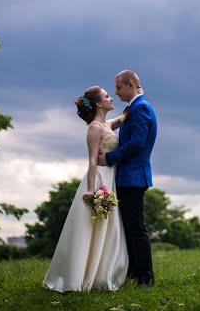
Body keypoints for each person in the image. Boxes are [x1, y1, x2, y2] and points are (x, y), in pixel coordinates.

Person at [42, 85, 129, 292]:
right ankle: (79, 276)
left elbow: (120, 119)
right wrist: (91, 190)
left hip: (111, 178)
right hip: (99, 180)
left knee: (107, 230)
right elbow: (91, 161)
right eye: (107, 96)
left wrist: (131, 108)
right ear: (99, 103)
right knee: (91, 229)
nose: (111, 98)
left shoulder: (106, 124)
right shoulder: (94, 128)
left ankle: (101, 272)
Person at [98, 69, 158, 287]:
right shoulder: (133, 108)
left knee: (136, 228)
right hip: (127, 176)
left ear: (130, 84)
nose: (116, 92)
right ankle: (135, 272)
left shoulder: (140, 108)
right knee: (129, 227)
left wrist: (110, 158)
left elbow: (137, 143)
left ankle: (146, 277)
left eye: (118, 87)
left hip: (133, 176)